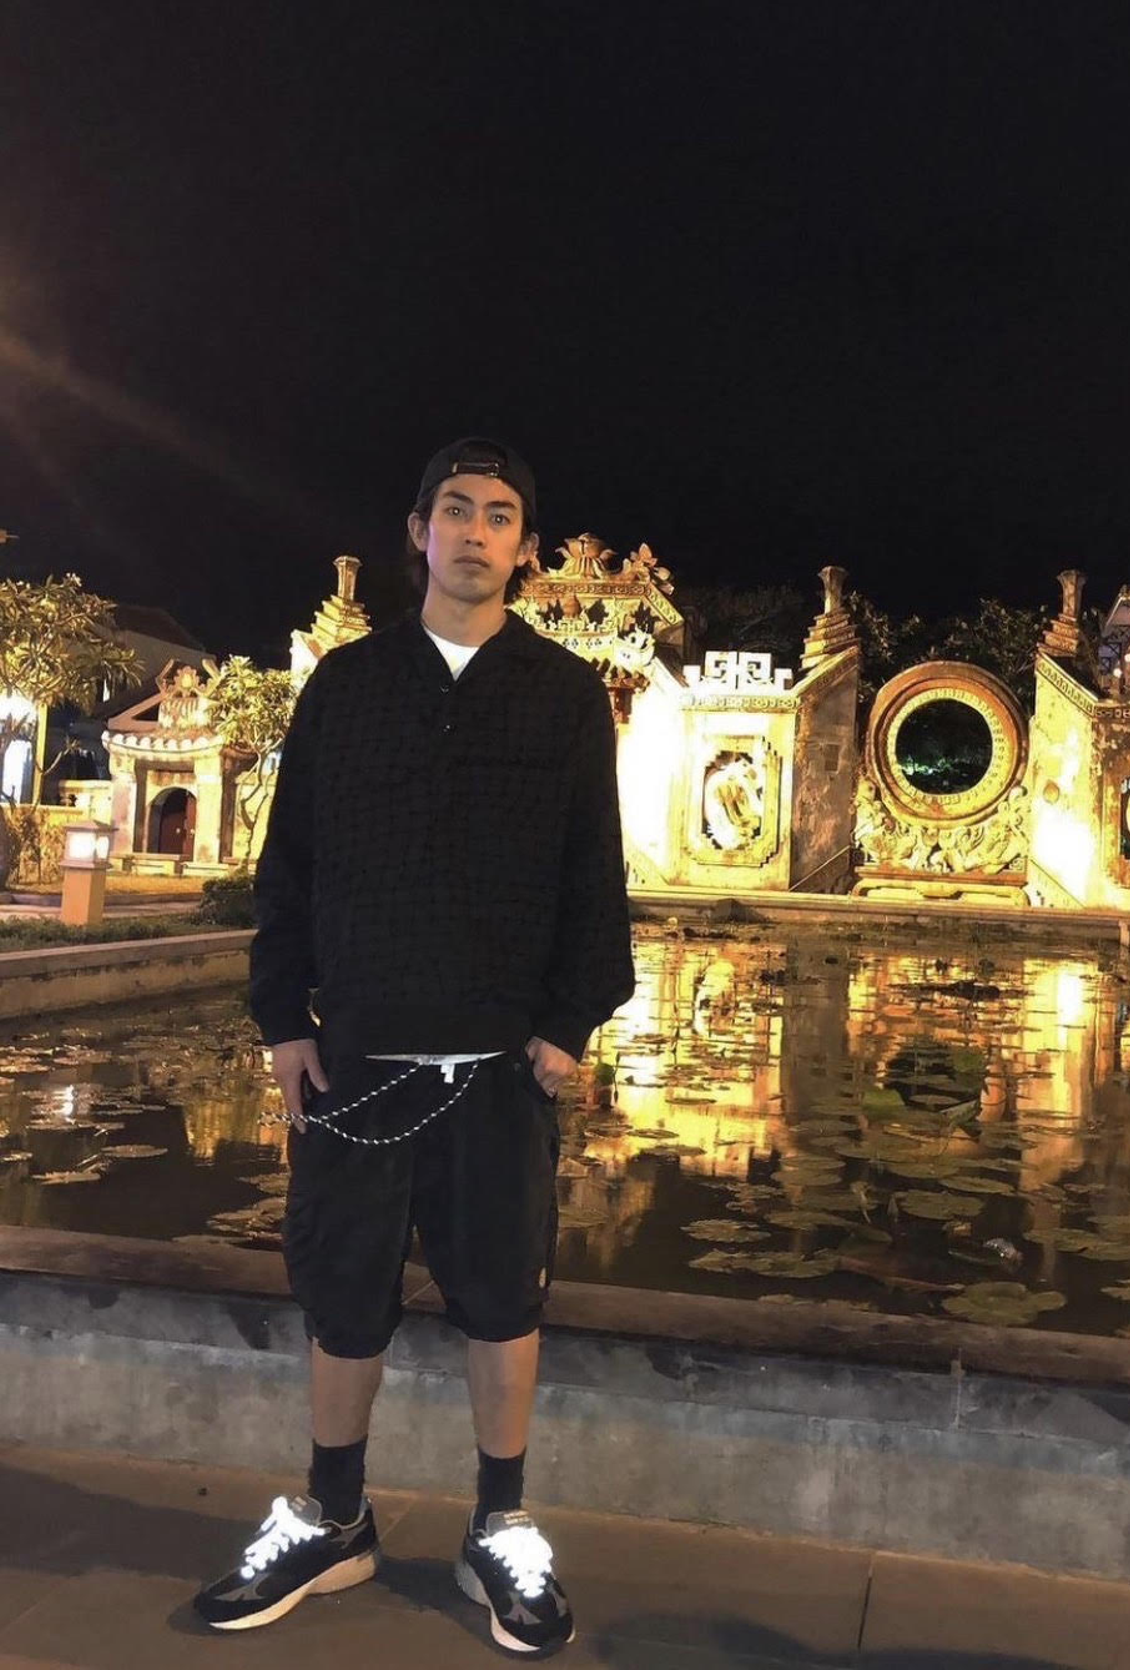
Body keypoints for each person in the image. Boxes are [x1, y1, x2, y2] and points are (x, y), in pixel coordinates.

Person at [194, 437, 635, 1654]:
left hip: (498, 1063)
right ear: (418, 532)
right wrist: (284, 1017)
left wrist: (569, 1021)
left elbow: (594, 875)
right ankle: (334, 1515)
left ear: (525, 548)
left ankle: (501, 1525)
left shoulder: (562, 694)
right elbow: (290, 864)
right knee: (344, 1288)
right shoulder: (348, 685)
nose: (476, 532)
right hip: (360, 1053)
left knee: (501, 1296)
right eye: (456, 509)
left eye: (500, 515)